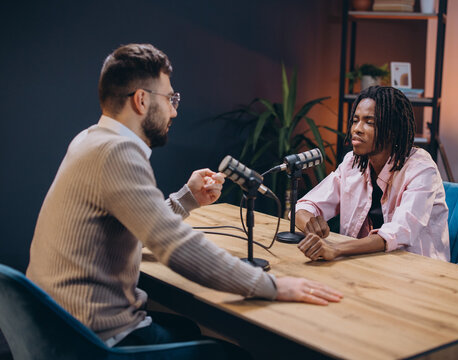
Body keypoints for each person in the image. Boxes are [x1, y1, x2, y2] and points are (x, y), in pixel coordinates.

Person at [26, 44, 342, 352]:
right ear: (141, 100)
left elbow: (144, 224)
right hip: (92, 339)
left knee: (187, 328)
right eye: (170, 98)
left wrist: (187, 198)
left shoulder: (91, 140)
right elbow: (177, 245)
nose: (175, 109)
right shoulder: (118, 152)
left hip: (57, 324)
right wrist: (273, 286)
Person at [295, 86, 450, 262]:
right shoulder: (352, 163)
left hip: (416, 270)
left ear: (392, 130)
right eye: (355, 120)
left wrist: (336, 249)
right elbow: (305, 206)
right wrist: (310, 223)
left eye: (369, 122)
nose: (357, 129)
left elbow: (399, 232)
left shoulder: (421, 170)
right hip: (364, 262)